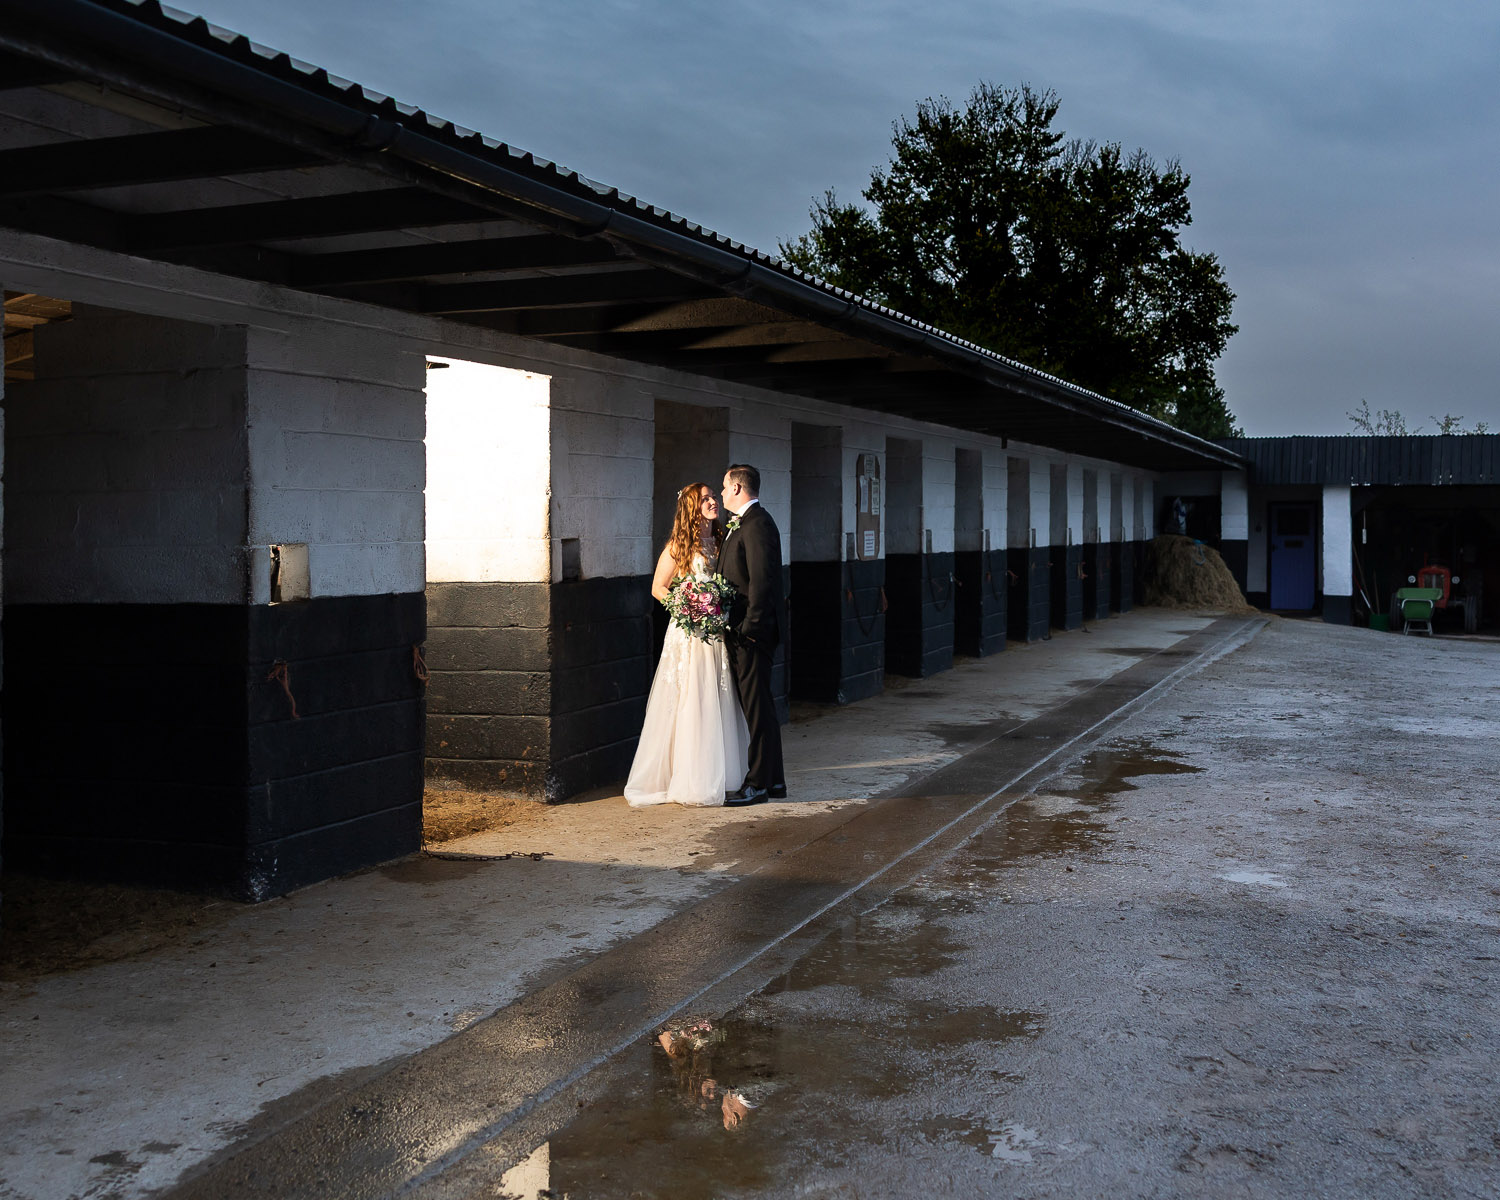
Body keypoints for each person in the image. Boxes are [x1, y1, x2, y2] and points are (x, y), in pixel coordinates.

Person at [624, 483, 750, 807]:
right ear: (692, 508)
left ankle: (723, 772)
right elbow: (658, 587)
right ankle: (688, 776)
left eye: (713, 496)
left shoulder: (722, 540)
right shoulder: (678, 546)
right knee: (691, 697)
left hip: (717, 632)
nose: (713, 502)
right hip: (690, 633)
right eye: (705, 499)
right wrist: (688, 607)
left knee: (717, 695)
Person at [718, 464, 787, 805]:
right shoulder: (742, 523)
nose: (721, 493)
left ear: (737, 488)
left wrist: (750, 629)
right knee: (760, 708)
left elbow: (762, 582)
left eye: (724, 486)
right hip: (744, 631)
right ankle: (774, 782)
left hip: (752, 635)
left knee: (757, 710)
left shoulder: (758, 523)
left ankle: (758, 783)